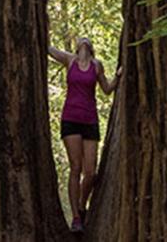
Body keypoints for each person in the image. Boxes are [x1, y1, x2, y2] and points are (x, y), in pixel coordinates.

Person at [49, 37, 121, 233]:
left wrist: (118, 76)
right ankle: (76, 218)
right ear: (77, 45)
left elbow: (106, 89)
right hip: (70, 119)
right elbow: (48, 48)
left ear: (91, 47)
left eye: (88, 39)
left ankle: (82, 205)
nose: (85, 39)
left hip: (90, 120)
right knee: (76, 167)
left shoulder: (96, 65)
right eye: (82, 39)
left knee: (90, 171)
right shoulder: (70, 60)